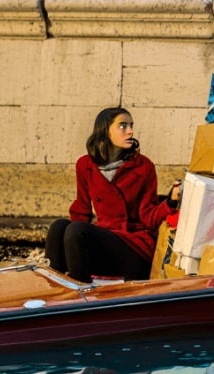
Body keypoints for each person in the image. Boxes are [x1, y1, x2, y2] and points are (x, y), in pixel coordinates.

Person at [45, 107, 180, 282]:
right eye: (123, 126)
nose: (130, 131)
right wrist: (71, 244)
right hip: (104, 239)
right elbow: (81, 209)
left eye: (131, 126)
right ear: (105, 130)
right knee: (59, 227)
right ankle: (51, 285)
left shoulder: (143, 166)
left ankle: (81, 289)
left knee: (77, 230)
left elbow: (148, 217)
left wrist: (170, 202)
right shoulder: (85, 165)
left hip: (133, 247)